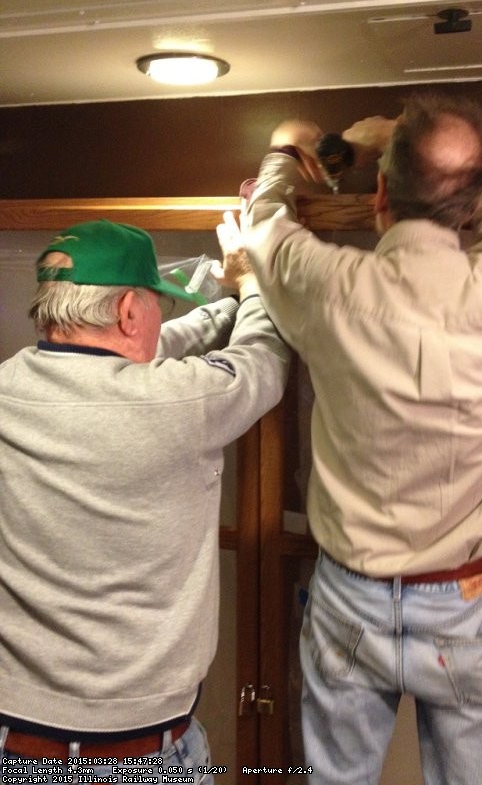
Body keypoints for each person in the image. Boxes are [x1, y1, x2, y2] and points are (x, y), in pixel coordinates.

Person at [218, 92, 482, 784]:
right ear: (471, 206)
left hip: (350, 599)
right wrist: (397, 135)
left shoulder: (330, 285)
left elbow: (263, 221)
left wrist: (285, 150)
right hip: (464, 603)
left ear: (377, 201)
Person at [0, 219, 289, 783]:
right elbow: (263, 357)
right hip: (138, 757)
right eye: (157, 305)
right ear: (130, 310)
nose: (161, 318)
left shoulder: (8, 387)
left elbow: (131, 359)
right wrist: (252, 283)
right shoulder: (181, 402)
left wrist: (224, 301)